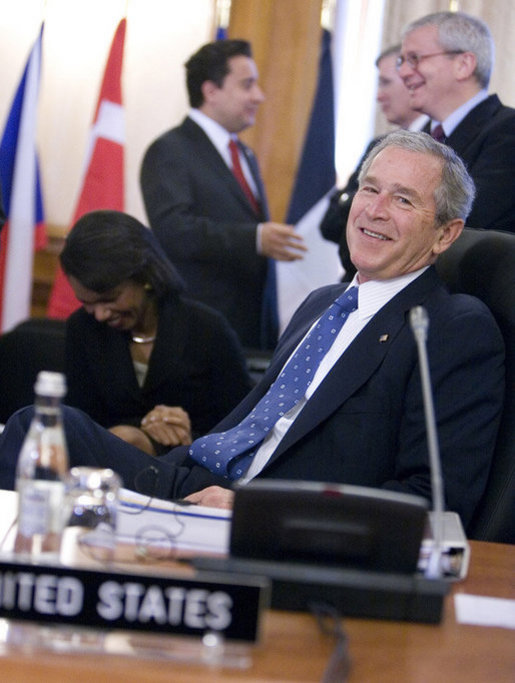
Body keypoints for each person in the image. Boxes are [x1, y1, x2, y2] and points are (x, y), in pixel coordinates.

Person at [0, 132, 505, 531]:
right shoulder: (322, 304)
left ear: (445, 233)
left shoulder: (450, 327)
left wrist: (252, 507)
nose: (373, 209)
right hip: (191, 479)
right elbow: (252, 425)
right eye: (369, 189)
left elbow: (432, 498)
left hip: (264, 522)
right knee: (37, 429)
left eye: (403, 200)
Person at [140, 39, 306, 351]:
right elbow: (174, 232)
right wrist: (254, 238)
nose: (259, 96)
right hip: (198, 333)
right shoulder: (169, 150)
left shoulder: (244, 153)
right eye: (247, 85)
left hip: (252, 334)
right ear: (211, 91)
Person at [59, 210, 253, 456]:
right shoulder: (83, 327)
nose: (99, 315)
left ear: (145, 277)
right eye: (87, 303)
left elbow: (244, 430)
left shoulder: (207, 329)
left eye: (109, 299)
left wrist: (184, 432)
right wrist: (140, 429)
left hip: (192, 472)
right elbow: (78, 422)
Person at [397, 10, 515, 232]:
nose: (403, 72)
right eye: (401, 61)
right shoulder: (411, 140)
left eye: (414, 59)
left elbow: (459, 225)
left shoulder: (508, 133)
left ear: (463, 64)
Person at [321, 44, 429, 275]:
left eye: (386, 82)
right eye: (370, 190)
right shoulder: (379, 146)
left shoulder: (439, 155)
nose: (379, 96)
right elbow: (329, 225)